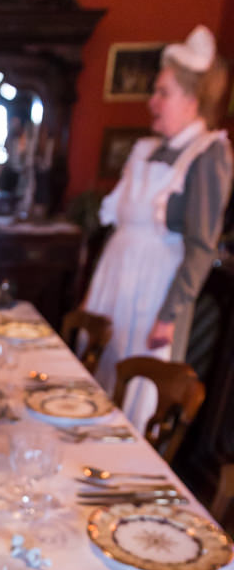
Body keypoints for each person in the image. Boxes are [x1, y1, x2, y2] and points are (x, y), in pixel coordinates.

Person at [83, 25, 232, 430]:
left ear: (192, 100)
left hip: (153, 289)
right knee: (97, 370)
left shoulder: (208, 154)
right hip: (116, 276)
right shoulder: (146, 149)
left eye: (163, 93)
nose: (152, 102)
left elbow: (201, 246)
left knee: (135, 386)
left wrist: (168, 316)